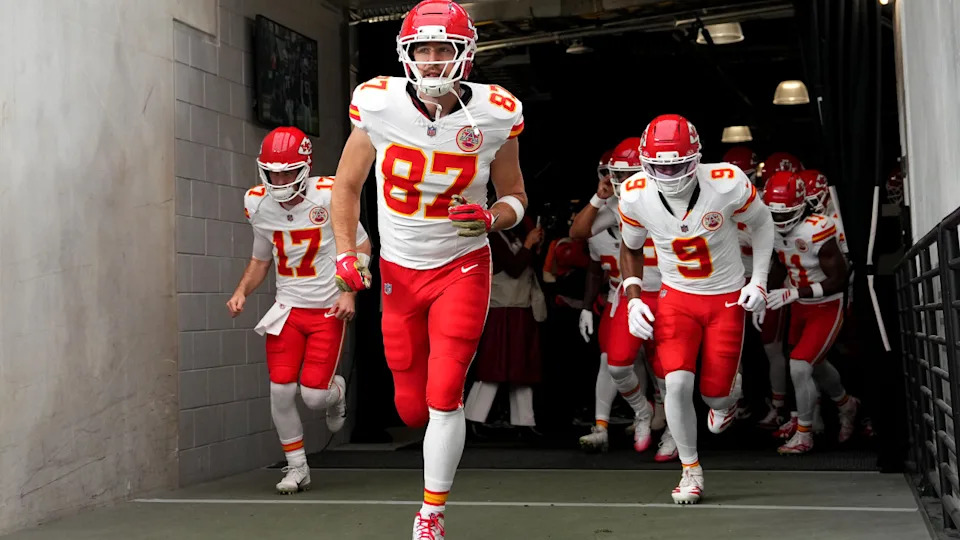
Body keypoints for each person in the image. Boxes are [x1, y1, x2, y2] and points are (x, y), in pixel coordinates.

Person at [330, 1, 527, 536]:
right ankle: (429, 469)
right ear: (406, 53)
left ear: (465, 54)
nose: (434, 60)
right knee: (411, 408)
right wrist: (346, 251)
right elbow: (346, 186)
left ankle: (431, 514)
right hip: (399, 271)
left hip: (462, 267)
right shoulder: (378, 103)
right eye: (424, 49)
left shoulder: (495, 112)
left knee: (445, 393)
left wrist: (490, 219)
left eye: (445, 49)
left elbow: (515, 196)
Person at [618, 114, 774, 504]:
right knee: (676, 383)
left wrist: (759, 280)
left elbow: (763, 222)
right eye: (660, 165)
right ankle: (691, 470)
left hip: (725, 299)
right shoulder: (635, 194)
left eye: (677, 164)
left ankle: (728, 399)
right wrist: (634, 295)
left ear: (697, 158)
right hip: (677, 298)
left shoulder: (725, 182)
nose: (669, 174)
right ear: (645, 162)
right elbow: (630, 247)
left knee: (716, 399)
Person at [226, 126, 372, 494]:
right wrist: (242, 290)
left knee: (314, 396)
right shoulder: (258, 203)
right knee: (279, 392)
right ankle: (297, 467)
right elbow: (260, 259)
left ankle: (335, 392)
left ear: (305, 167)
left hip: (327, 308)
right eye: (273, 171)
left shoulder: (329, 194)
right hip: (287, 310)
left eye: (288, 171)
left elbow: (364, 246)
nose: (279, 179)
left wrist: (349, 292)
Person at [761, 171, 860, 454]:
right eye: (774, 215)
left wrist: (795, 293)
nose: (779, 221)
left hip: (826, 305)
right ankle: (846, 404)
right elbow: (781, 264)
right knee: (814, 364)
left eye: (785, 214)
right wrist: (763, 294)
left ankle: (804, 434)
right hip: (800, 306)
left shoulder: (818, 227)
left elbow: (837, 279)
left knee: (800, 365)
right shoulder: (769, 226)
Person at [463, 216, 545, 435]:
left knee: (522, 367)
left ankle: (524, 421)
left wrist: (534, 242)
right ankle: (473, 418)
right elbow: (514, 266)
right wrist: (528, 243)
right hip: (501, 308)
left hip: (521, 305)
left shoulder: (513, 234)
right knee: (492, 366)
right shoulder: (491, 237)